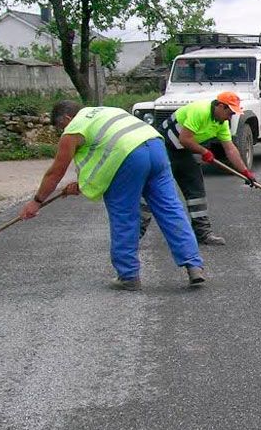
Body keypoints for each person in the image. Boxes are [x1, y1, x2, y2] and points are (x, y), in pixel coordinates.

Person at [19, 101, 206, 291]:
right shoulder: (108, 111)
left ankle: (129, 275)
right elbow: (104, 157)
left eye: (61, 127)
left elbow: (56, 172)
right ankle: (194, 266)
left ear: (67, 118)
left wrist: (36, 202)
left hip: (129, 155)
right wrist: (82, 185)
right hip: (155, 146)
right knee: (171, 209)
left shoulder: (74, 128)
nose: (62, 132)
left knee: (124, 215)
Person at [140, 92, 256, 245]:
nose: (230, 117)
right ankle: (134, 234)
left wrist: (245, 172)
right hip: (163, 148)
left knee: (196, 188)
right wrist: (204, 152)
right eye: (230, 113)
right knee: (155, 189)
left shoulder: (221, 123)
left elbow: (230, 149)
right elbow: (185, 138)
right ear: (220, 106)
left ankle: (203, 233)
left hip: (182, 151)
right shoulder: (200, 111)